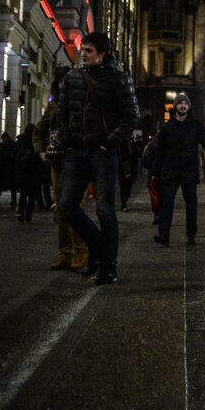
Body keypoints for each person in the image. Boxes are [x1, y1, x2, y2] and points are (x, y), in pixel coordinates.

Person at [57, 31, 139, 285]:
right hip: (76, 151)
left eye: (89, 51)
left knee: (105, 210)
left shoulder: (118, 79)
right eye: (83, 49)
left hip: (103, 153)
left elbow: (131, 117)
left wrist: (109, 142)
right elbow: (62, 111)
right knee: (66, 207)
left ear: (102, 55)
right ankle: (99, 250)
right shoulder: (73, 77)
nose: (83, 54)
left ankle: (108, 266)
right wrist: (66, 137)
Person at [152, 92, 205, 246]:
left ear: (189, 107)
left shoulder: (195, 126)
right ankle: (164, 234)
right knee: (166, 204)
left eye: (185, 103)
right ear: (175, 106)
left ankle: (191, 235)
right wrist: (155, 172)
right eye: (180, 103)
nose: (183, 106)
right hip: (170, 170)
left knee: (191, 206)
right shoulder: (167, 127)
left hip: (189, 170)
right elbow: (160, 151)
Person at [37, 69, 89, 270]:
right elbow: (38, 131)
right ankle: (65, 253)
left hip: (77, 162)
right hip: (57, 163)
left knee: (75, 207)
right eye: (60, 81)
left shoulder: (83, 103)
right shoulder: (53, 106)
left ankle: (81, 251)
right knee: (61, 208)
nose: (63, 85)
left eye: (66, 81)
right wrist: (40, 151)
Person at [15, 124, 46, 223]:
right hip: (34, 173)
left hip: (23, 173)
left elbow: (16, 158)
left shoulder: (20, 142)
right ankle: (28, 215)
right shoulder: (36, 144)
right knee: (32, 196)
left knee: (23, 195)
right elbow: (40, 159)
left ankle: (20, 212)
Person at [0, 131, 17, 208]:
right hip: (4, 168)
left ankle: (13, 201)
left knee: (11, 186)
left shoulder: (10, 145)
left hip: (8, 168)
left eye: (4, 138)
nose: (3, 140)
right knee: (1, 185)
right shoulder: (6, 145)